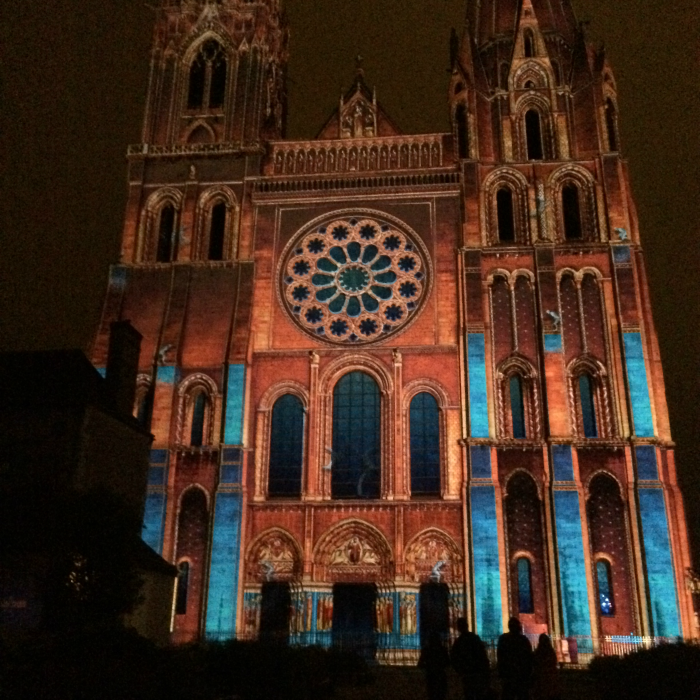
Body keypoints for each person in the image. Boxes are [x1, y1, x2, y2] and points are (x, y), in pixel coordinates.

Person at [450, 617, 491, 700]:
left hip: (467, 674)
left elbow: (453, 657)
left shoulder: (459, 642)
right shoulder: (474, 638)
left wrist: (459, 670)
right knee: (479, 694)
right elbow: (482, 655)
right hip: (477, 672)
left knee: (469, 694)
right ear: (467, 625)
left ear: (458, 628)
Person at [497, 617, 533, 700]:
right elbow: (529, 658)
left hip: (508, 675)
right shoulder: (523, 640)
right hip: (521, 676)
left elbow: (500, 657)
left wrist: (501, 672)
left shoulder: (503, 639)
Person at [418, 631, 451, 700]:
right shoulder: (442, 649)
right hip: (441, 676)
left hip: (431, 676)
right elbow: (448, 663)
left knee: (432, 695)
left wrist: (428, 666)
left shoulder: (427, 650)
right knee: (441, 695)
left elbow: (420, 664)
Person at [531, 634, 560, 700]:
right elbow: (554, 661)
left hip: (541, 677)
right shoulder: (550, 651)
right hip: (550, 676)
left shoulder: (538, 652)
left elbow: (535, 662)